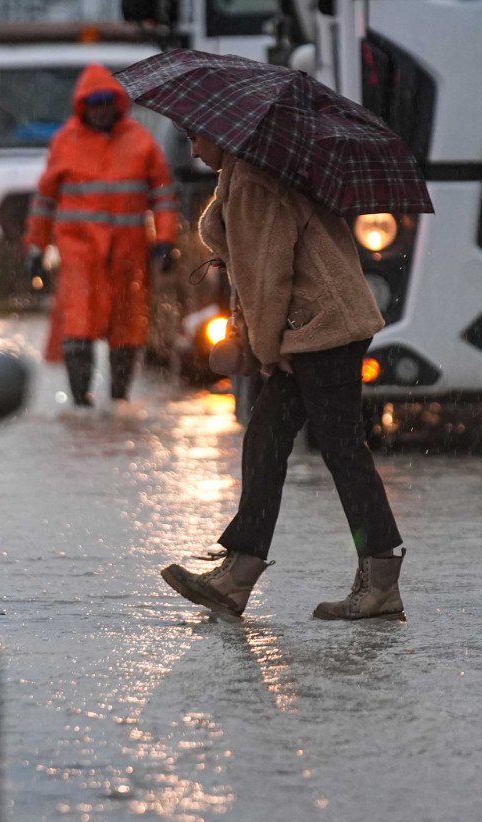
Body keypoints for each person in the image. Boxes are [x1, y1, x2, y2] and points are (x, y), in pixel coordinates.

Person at [159, 129, 406, 621]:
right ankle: (239, 574)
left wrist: (266, 349)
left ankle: (378, 579)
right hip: (313, 326)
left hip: (323, 327)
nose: (192, 151)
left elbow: (267, 276)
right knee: (268, 438)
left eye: (195, 138)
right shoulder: (246, 174)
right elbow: (257, 273)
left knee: (339, 448)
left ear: (220, 132)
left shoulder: (253, 181)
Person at [24, 65, 178, 414]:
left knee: (127, 329)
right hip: (81, 255)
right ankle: (81, 404)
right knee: (78, 327)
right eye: (94, 101)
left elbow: (164, 196)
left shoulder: (141, 142)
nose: (101, 108)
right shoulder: (66, 141)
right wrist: (36, 247)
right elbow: (45, 201)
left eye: (107, 100)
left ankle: (118, 401)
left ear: (118, 102)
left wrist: (166, 240)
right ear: (83, 105)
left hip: (128, 255)